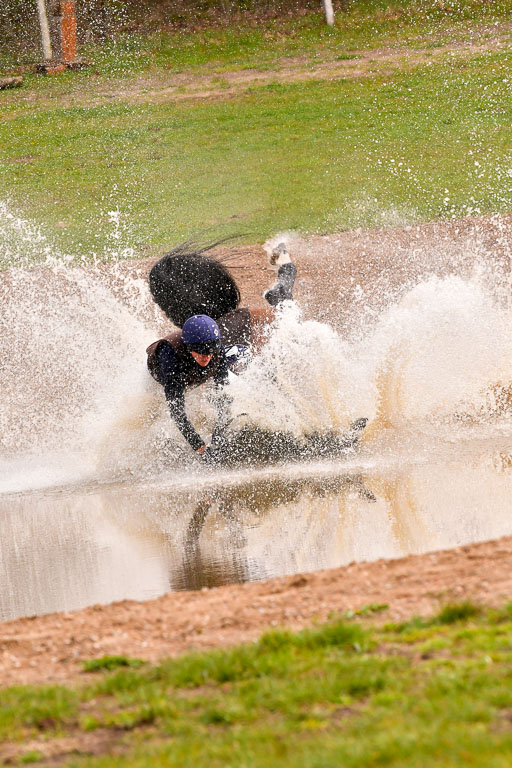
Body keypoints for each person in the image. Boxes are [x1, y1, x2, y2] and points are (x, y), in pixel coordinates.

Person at [146, 241, 296, 461]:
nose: (205, 357)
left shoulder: (216, 349)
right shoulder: (190, 345)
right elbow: (183, 407)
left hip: (250, 326)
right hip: (234, 329)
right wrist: (202, 447)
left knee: (285, 306)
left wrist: (217, 438)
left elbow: (224, 397)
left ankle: (284, 258)